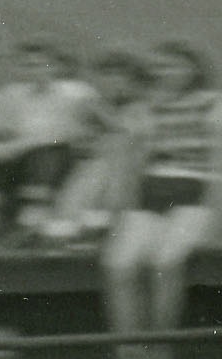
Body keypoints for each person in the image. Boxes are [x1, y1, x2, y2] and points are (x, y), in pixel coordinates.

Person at [99, 41, 222, 359]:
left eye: (176, 66)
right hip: (151, 196)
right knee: (118, 265)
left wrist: (215, 216)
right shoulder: (143, 109)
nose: (167, 73)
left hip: (193, 196)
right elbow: (129, 166)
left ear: (194, 68)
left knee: (166, 263)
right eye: (160, 67)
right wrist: (121, 212)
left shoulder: (218, 107)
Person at [0, 40, 100, 239]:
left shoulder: (77, 93)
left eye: (42, 65)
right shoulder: (11, 94)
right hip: (19, 156)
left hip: (62, 158)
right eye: (27, 65)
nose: (35, 71)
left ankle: (31, 223)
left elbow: (70, 134)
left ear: (56, 66)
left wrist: (19, 145)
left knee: (45, 154)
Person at [37, 47, 150, 251]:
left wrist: (102, 117)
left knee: (114, 154)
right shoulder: (91, 104)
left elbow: (133, 133)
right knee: (96, 166)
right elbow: (77, 141)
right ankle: (83, 224)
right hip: (94, 169)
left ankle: (88, 225)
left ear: (134, 81)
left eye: (121, 77)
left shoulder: (141, 105)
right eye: (106, 75)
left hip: (133, 170)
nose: (112, 82)